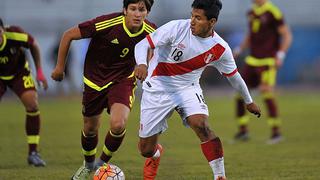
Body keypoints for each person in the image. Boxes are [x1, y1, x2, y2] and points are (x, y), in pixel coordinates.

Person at [134, 0, 261, 179]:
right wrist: (141, 64)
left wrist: (249, 101)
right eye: (192, 16)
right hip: (157, 89)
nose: (192, 21)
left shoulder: (220, 48)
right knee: (146, 150)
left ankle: (220, 176)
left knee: (201, 125)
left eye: (198, 18)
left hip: (187, 89)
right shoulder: (176, 28)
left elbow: (234, 77)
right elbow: (142, 45)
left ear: (212, 22)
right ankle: (156, 154)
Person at [51, 0, 156, 179]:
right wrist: (59, 68)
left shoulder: (152, 31)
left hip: (123, 80)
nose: (137, 14)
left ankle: (101, 164)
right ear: (125, 10)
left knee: (118, 124)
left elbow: (158, 51)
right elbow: (68, 35)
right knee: (90, 128)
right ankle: (88, 164)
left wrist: (145, 65)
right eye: (133, 9)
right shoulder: (107, 23)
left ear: (147, 12)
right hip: (94, 81)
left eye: (142, 10)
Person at [232, 0, 292, 144]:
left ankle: (276, 132)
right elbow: (250, 34)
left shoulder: (273, 12)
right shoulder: (252, 12)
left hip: (267, 61)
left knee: (266, 92)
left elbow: (287, 35)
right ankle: (243, 131)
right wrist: (239, 49)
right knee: (240, 94)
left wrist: (281, 55)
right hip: (252, 60)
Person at [0, 18, 48, 166]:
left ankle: (33, 153)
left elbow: (33, 45)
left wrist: (39, 71)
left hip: (19, 73)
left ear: (2, 30)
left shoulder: (15, 34)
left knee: (32, 105)